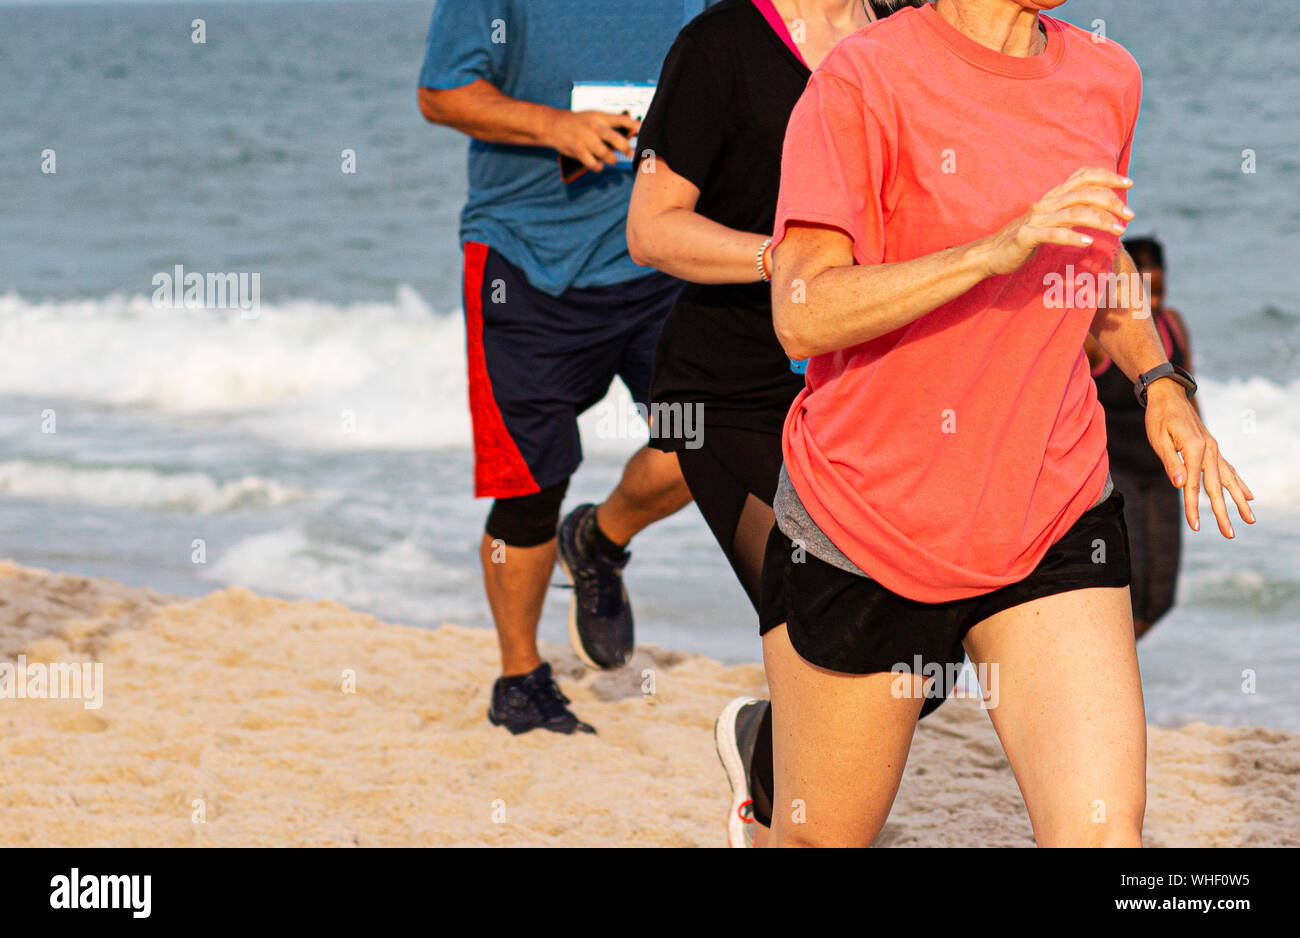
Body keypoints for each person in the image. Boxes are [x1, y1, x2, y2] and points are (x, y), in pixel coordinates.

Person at [763, 0, 1254, 847]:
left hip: (1051, 506)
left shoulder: (1107, 78)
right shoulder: (864, 79)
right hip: (869, 519)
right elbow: (801, 312)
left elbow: (1096, 267)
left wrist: (1161, 380)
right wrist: (995, 249)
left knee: (1103, 835)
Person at [627, 0, 927, 847]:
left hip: (865, 386)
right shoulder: (720, 44)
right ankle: (773, 786)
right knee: (826, 635)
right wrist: (785, 261)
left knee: (914, 658)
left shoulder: (903, 30)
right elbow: (650, 229)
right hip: (728, 395)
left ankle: (763, 744)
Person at [418, 1, 695, 735]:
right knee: (530, 486)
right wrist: (557, 127)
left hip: (662, 254)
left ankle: (601, 539)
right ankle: (520, 678)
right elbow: (440, 93)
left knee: (705, 443)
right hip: (521, 259)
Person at [1087, 236, 1194, 638]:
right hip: (1117, 474)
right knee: (1127, 591)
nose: (1151, 304)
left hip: (1165, 471)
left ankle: (1105, 677)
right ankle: (1100, 686)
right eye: (1144, 293)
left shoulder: (1173, 325)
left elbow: (1185, 395)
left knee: (1160, 599)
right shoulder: (1099, 336)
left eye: (1160, 291)